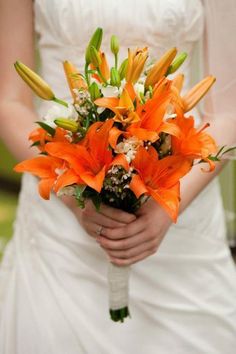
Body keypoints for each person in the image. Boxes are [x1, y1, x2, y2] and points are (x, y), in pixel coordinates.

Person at [0, 0, 236, 353]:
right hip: (61, 213)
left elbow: (229, 110)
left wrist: (165, 210)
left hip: (180, 204)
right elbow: (9, 100)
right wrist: (74, 193)